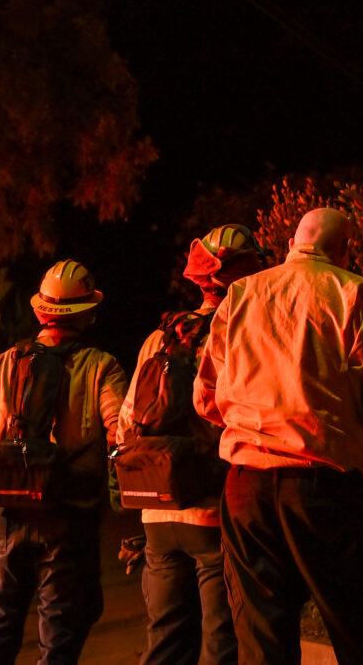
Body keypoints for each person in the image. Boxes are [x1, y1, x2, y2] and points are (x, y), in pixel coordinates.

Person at [195, 207, 363, 665]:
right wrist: (352, 434)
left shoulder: (240, 295)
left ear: (291, 244)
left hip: (245, 489)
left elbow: (205, 397)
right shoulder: (358, 294)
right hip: (327, 486)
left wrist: (252, 425)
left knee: (262, 646)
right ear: (344, 248)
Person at [0, 260, 127, 665]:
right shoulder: (101, 367)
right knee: (60, 642)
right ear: (87, 313)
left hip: (7, 515)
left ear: (40, 312)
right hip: (69, 518)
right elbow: (123, 434)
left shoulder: (4, 364)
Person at [121, 224, 268, 665]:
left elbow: (128, 422)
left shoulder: (161, 335)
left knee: (164, 639)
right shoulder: (243, 333)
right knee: (220, 640)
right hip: (213, 510)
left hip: (157, 512)